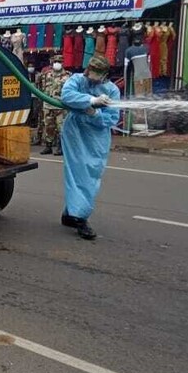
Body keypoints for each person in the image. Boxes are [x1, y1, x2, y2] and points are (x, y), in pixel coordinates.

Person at [59, 55, 120, 240]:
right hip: (75, 133)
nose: (92, 79)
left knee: (90, 175)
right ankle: (81, 219)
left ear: (104, 75)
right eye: (91, 74)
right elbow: (66, 95)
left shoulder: (112, 90)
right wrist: (91, 101)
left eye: (97, 75)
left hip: (96, 138)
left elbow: (111, 119)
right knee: (77, 173)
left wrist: (94, 114)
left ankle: (70, 213)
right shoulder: (77, 80)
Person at [38, 55, 71, 156]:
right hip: (48, 105)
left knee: (61, 127)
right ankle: (48, 146)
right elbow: (40, 87)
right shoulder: (46, 75)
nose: (57, 63)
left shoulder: (68, 76)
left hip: (61, 106)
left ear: (62, 63)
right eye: (55, 61)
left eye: (59, 61)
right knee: (48, 127)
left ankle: (60, 147)